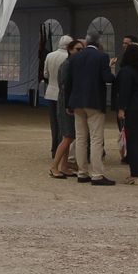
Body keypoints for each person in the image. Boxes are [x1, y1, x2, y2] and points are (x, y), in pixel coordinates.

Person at [63, 34, 115, 185]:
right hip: (94, 101)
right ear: (98, 44)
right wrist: (112, 73)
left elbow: (68, 82)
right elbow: (107, 78)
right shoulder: (102, 57)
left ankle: (82, 172)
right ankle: (97, 174)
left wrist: (68, 104)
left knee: (80, 138)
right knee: (96, 139)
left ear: (86, 43)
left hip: (77, 102)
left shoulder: (74, 58)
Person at [114, 43, 138, 184]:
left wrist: (121, 109)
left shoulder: (126, 71)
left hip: (133, 109)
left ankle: (135, 174)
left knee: (133, 142)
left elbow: (124, 92)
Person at [49, 39, 84, 178]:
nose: (80, 52)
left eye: (82, 49)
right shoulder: (67, 65)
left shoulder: (73, 64)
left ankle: (63, 166)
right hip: (66, 104)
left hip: (68, 102)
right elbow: (65, 86)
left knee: (70, 136)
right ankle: (54, 166)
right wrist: (69, 105)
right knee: (68, 136)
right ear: (70, 50)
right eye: (77, 49)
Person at [43, 35, 73, 156]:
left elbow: (45, 74)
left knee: (54, 123)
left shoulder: (49, 55)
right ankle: (61, 149)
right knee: (64, 123)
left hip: (50, 91)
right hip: (62, 94)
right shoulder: (68, 57)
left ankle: (54, 147)